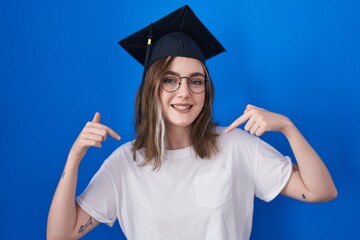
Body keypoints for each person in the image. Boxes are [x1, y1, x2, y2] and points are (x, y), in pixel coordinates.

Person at [47, 5, 337, 240]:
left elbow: (321, 191)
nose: (184, 92)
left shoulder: (235, 146)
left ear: (206, 90)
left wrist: (288, 128)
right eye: (170, 80)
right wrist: (74, 159)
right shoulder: (125, 163)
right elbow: (59, 236)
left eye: (195, 81)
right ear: (152, 88)